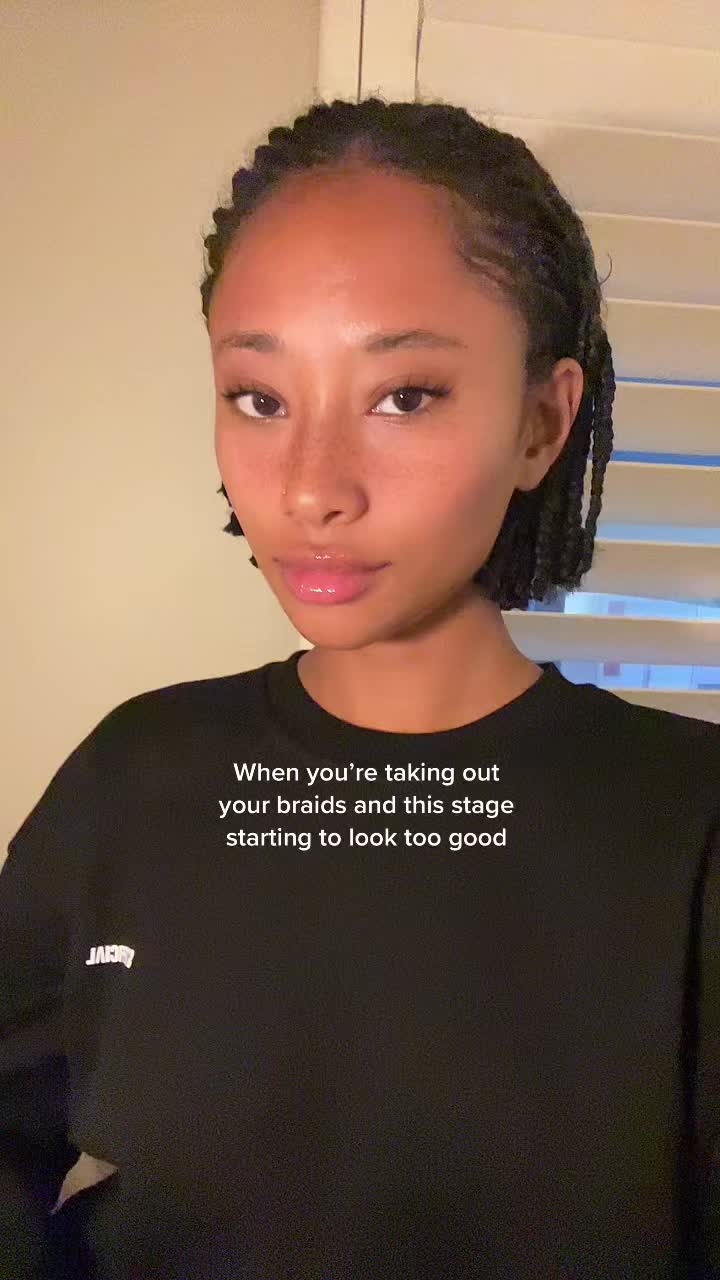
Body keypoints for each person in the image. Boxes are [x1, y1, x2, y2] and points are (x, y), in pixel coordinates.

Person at [1, 95, 719, 1280]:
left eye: (405, 395)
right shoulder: (135, 777)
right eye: (260, 398)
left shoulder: (687, 824)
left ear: (541, 423)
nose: (311, 486)